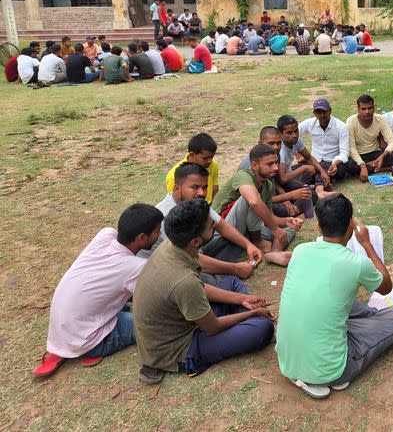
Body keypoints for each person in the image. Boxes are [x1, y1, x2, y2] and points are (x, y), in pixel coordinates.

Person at [275, 194, 393, 399]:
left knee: (339, 302)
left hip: (287, 362)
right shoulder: (357, 263)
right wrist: (367, 244)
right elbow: (386, 287)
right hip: (331, 370)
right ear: (351, 228)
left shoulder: (300, 250)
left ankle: (369, 320)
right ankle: (333, 375)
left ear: (319, 227)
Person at [134, 199, 275, 385]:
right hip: (182, 347)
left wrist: (243, 299)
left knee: (232, 283)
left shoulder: (171, 246)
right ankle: (250, 319)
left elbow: (197, 290)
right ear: (196, 241)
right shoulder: (184, 280)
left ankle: (245, 316)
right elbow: (212, 327)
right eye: (210, 225)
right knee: (262, 329)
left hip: (184, 319)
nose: (215, 225)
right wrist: (253, 312)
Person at [32, 204, 164, 377]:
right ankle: (90, 349)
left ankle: (68, 346)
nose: (159, 235)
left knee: (121, 297)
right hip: (88, 338)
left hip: (66, 326)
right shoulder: (135, 267)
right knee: (156, 324)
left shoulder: (105, 235)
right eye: (156, 231)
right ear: (141, 237)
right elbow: (155, 300)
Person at [212, 144, 300, 265]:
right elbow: (254, 202)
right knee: (251, 199)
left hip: (248, 229)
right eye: (269, 164)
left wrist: (287, 221)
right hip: (222, 229)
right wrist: (274, 229)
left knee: (289, 228)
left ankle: (273, 253)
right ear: (254, 165)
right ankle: (258, 242)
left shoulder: (268, 185)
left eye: (276, 163)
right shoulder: (243, 176)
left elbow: (270, 216)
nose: (275, 168)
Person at [238, 125, 314, 219]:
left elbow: (275, 182)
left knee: (309, 193)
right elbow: (257, 200)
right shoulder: (249, 166)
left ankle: (294, 209)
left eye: (279, 143)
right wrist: (288, 196)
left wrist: (285, 199)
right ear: (259, 143)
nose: (276, 147)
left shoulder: (275, 155)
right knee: (276, 210)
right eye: (271, 143)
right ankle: (294, 210)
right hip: (255, 201)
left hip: (271, 194)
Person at [277, 114, 337, 201]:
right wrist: (303, 169)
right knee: (305, 191)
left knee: (320, 165)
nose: (294, 135)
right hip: (283, 181)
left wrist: (322, 171)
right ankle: (315, 192)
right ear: (280, 134)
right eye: (289, 132)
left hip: (291, 173)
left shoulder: (296, 141)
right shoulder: (281, 150)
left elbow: (308, 157)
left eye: (296, 131)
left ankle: (319, 189)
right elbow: (282, 179)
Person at [345, 94, 393, 181]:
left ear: (374, 108)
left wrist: (383, 156)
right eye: (363, 109)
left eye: (370, 108)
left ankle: (370, 166)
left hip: (374, 153)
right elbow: (351, 148)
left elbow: (392, 141)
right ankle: (382, 168)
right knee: (348, 164)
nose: (367, 112)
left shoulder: (380, 119)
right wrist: (362, 165)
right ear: (358, 109)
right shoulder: (351, 121)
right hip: (358, 155)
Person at [298, 98, 352, 187]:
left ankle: (318, 183)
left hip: (332, 161)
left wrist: (335, 164)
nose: (322, 115)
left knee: (338, 171)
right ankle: (324, 182)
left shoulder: (341, 127)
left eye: (325, 111)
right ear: (314, 113)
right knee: (301, 171)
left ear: (330, 111)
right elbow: (294, 135)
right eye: (318, 112)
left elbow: (344, 153)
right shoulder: (309, 123)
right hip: (315, 161)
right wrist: (298, 153)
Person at [166, 133, 220, 204]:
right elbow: (175, 202)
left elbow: (215, 189)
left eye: (211, 157)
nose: (210, 161)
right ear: (191, 155)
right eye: (205, 158)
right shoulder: (173, 175)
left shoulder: (212, 165)